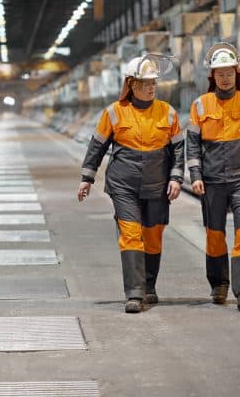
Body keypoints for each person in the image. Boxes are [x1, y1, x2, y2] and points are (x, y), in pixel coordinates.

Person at [77, 55, 185, 313]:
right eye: (146, 82)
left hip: (157, 185)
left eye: (153, 83)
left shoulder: (167, 112)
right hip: (123, 185)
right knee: (131, 235)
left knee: (153, 236)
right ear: (131, 84)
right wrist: (86, 178)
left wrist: (176, 177)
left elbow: (179, 148)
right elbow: (97, 146)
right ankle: (134, 294)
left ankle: (149, 286)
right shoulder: (114, 112)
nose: (151, 87)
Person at [185, 42, 240, 312]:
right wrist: (196, 175)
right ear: (212, 76)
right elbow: (193, 145)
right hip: (211, 181)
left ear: (237, 73)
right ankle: (219, 284)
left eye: (230, 73)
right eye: (220, 73)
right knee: (215, 235)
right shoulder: (200, 106)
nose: (225, 77)